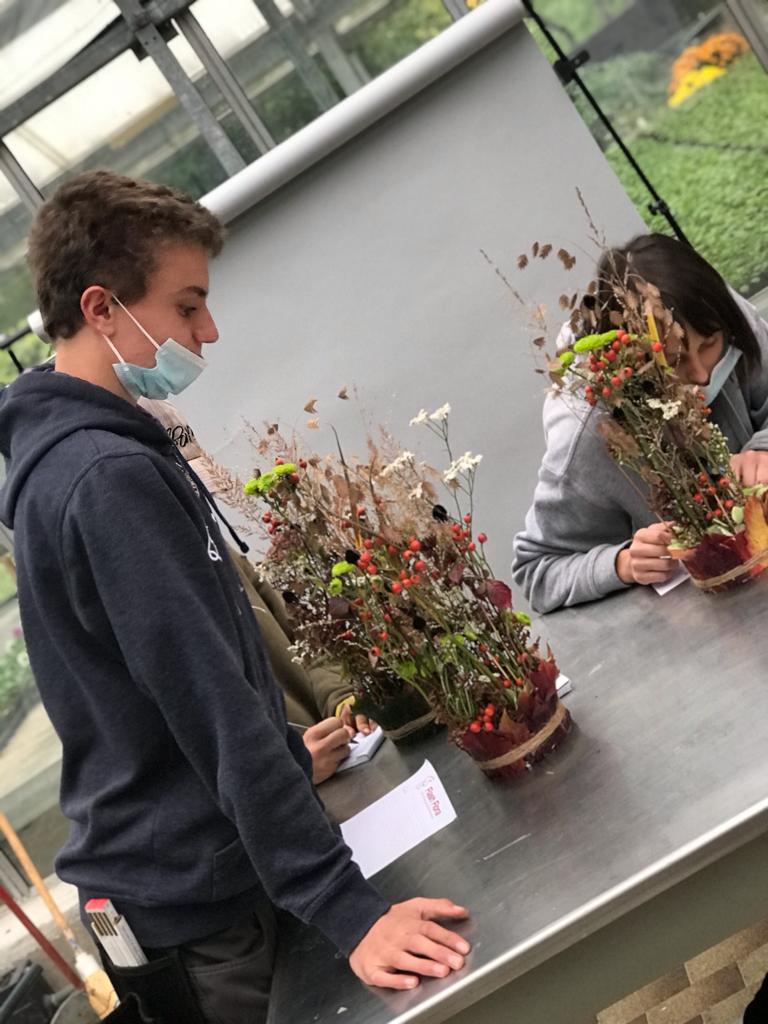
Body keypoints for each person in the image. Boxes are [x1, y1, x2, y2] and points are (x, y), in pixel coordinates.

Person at [0, 170, 470, 1023]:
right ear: (102, 308)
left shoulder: (85, 459)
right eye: (187, 307)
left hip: (197, 868)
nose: (207, 331)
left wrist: (285, 753)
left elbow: (148, 680)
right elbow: (205, 695)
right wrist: (348, 911)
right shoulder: (104, 478)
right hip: (202, 912)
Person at [513, 233, 768, 614]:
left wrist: (762, 447)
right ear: (632, 362)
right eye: (675, 360)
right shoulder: (586, 435)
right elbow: (536, 571)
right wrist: (622, 563)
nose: (701, 374)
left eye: (709, 346)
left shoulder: (715, 315)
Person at [139, 396, 373, 784]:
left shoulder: (224, 557)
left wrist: (341, 699)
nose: (197, 502)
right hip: (281, 799)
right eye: (182, 489)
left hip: (338, 774)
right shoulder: (143, 604)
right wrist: (286, 768)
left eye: (196, 487)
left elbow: (307, 638)